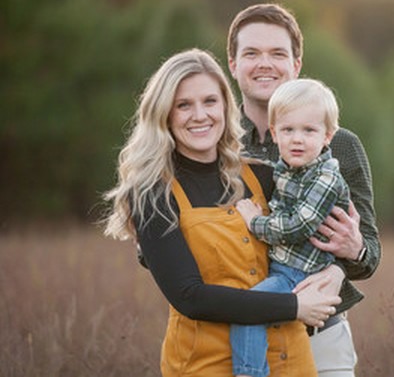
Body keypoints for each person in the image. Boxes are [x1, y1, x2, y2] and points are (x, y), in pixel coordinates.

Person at [102, 48, 341, 377]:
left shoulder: (264, 175)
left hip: (292, 362)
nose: (200, 115)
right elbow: (190, 297)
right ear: (164, 114)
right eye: (184, 105)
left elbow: (319, 231)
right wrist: (294, 306)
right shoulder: (152, 196)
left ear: (226, 107)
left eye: (210, 101)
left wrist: (339, 268)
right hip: (206, 365)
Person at [227, 3, 382, 376]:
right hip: (235, 328)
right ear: (233, 64)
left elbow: (370, 253)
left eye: (278, 53)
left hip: (320, 334)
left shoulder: (340, 144)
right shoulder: (215, 143)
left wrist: (347, 261)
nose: (265, 63)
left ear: (296, 64)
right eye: (252, 53)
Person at [230, 78, 350, 377]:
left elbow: (300, 225)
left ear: (327, 136)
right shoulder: (287, 168)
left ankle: (249, 374)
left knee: (248, 311)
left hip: (300, 274)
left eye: (309, 130)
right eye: (288, 130)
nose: (297, 139)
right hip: (282, 268)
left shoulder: (326, 178)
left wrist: (255, 222)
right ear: (274, 133)